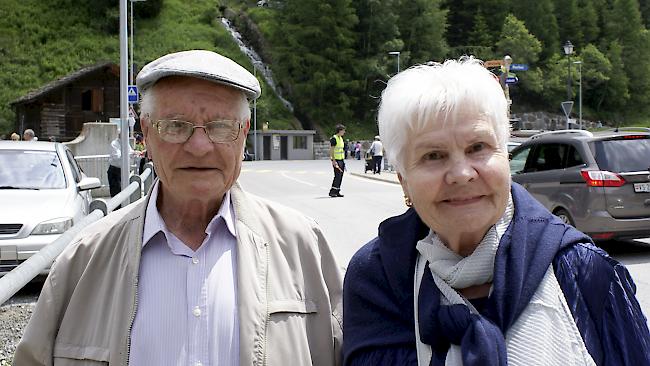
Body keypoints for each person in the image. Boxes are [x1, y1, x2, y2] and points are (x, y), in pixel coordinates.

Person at [15, 49, 343, 366]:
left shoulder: (302, 246)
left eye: (220, 126)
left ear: (243, 135)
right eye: (175, 125)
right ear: (146, 133)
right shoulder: (83, 260)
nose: (199, 147)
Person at [342, 58, 650, 366]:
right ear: (403, 182)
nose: (461, 173)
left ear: (506, 158)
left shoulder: (584, 271)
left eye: (478, 147)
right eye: (433, 155)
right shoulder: (375, 279)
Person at [329, 124, 346, 197]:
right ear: (340, 131)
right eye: (343, 130)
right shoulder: (334, 138)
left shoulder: (341, 138)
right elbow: (332, 150)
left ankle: (337, 190)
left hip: (341, 159)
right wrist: (333, 160)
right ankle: (332, 191)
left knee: (340, 176)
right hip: (336, 160)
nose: (344, 132)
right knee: (337, 176)